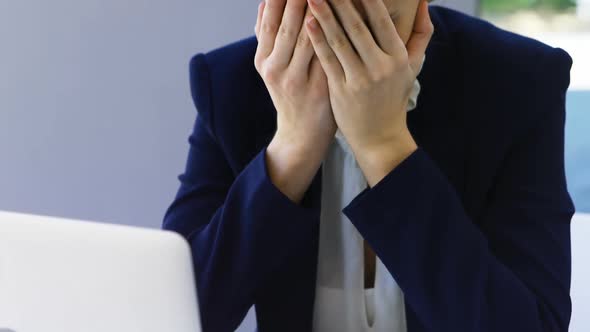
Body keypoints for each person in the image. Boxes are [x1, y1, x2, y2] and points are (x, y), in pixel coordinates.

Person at [163, 0, 576, 331]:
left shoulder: (518, 82)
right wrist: (291, 147)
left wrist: (385, 146)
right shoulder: (230, 85)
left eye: (377, 19)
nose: (353, 27)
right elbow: (170, 314)